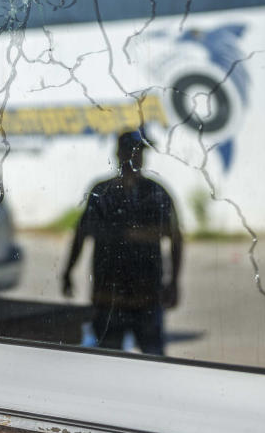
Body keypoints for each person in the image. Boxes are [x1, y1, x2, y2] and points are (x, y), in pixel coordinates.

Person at [61, 130, 182, 355]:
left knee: (153, 363)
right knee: (110, 363)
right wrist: (67, 271)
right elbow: (81, 234)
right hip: (109, 298)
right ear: (118, 154)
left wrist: (174, 282)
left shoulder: (155, 192)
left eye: (139, 152)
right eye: (131, 152)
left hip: (147, 297)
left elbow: (175, 238)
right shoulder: (102, 192)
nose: (135, 158)